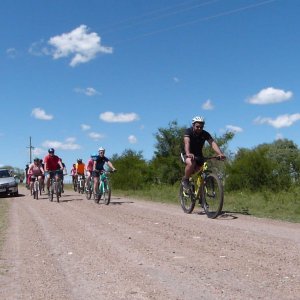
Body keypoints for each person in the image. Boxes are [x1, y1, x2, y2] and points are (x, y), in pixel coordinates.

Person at [181, 116, 225, 191]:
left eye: (201, 127)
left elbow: (212, 143)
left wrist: (220, 153)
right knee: (191, 163)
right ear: (193, 125)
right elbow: (186, 142)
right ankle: (186, 179)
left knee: (202, 174)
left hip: (199, 156)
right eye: (197, 126)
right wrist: (188, 153)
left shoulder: (205, 134)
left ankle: (202, 198)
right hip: (187, 154)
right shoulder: (188, 131)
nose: (199, 128)